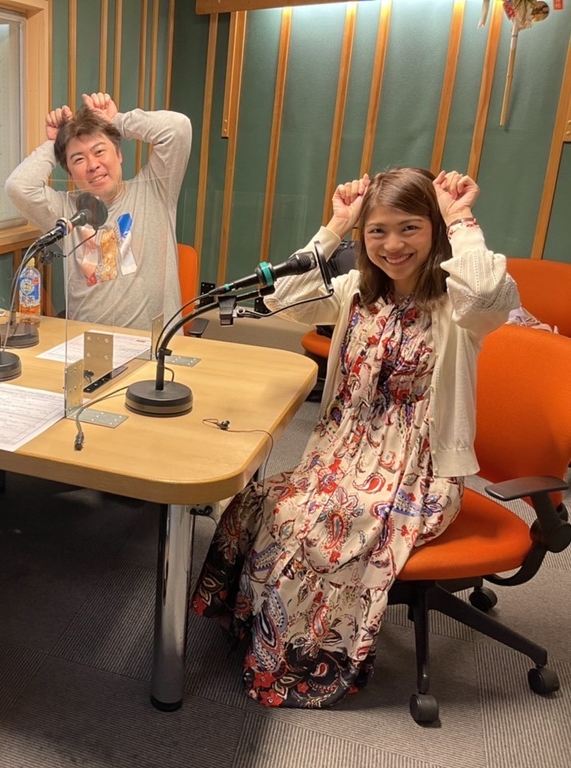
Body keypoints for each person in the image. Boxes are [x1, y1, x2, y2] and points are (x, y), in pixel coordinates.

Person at [191, 167, 521, 708]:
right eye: (378, 231)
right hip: (340, 458)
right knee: (260, 501)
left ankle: (297, 663)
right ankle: (254, 631)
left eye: (410, 228)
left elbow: (488, 294)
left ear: (434, 230)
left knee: (312, 530)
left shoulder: (460, 308)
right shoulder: (356, 292)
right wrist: (335, 226)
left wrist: (459, 217)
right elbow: (281, 298)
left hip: (418, 475)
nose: (392, 245)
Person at [5, 92, 191, 331]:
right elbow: (18, 187)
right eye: (78, 159)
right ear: (70, 173)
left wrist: (115, 121)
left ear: (119, 155)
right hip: (85, 344)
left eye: (100, 151)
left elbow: (178, 128)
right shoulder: (67, 212)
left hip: (154, 345)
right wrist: (54, 143)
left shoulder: (156, 190)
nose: (93, 165)